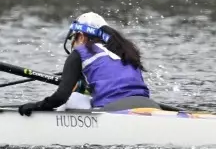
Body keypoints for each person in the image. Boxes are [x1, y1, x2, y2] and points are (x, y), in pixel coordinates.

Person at [18, 11, 156, 114]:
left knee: (72, 99)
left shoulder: (80, 53)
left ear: (82, 36)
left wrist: (37, 106)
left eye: (74, 38)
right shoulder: (126, 52)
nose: (73, 43)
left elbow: (60, 97)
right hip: (149, 106)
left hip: (114, 111)